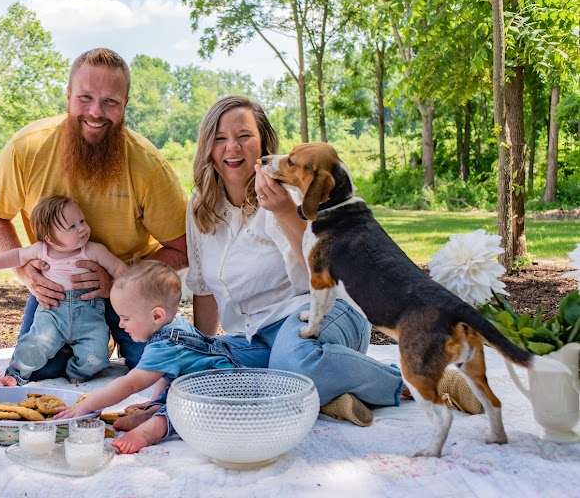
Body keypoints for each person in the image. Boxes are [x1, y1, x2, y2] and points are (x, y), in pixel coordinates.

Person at [185, 95, 480, 425]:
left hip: (323, 312)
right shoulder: (201, 207)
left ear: (263, 142)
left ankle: (418, 378)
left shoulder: (296, 193)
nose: (232, 149)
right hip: (255, 334)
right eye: (220, 139)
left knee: (294, 363)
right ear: (208, 148)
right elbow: (203, 289)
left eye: (243, 136)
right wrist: (204, 347)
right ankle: (333, 397)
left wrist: (284, 213)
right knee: (199, 368)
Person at [0, 47, 188, 378]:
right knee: (36, 368)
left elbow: (182, 247)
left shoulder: (148, 165)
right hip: (58, 290)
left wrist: (121, 282)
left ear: (125, 104)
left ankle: (112, 342)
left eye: (110, 102)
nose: (96, 112)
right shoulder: (28, 147)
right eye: (85, 98)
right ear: (67, 95)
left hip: (131, 286)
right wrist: (28, 274)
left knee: (164, 368)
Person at [56, 261, 238, 454]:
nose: (120, 325)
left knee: (185, 410)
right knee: (176, 396)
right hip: (195, 383)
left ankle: (150, 431)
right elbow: (166, 373)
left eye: (126, 318)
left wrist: (86, 405)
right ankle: (155, 409)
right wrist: (154, 400)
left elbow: (130, 384)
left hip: (221, 390)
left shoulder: (165, 344)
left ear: (156, 316)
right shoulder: (174, 326)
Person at [0, 195, 126, 384]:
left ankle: (78, 373)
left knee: (96, 354)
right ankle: (16, 375)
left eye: (82, 221)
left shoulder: (94, 250)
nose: (82, 229)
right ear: (50, 238)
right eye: (71, 226)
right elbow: (17, 256)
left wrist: (124, 286)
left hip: (88, 315)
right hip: (53, 312)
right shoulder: (42, 250)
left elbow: (119, 269)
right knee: (35, 345)